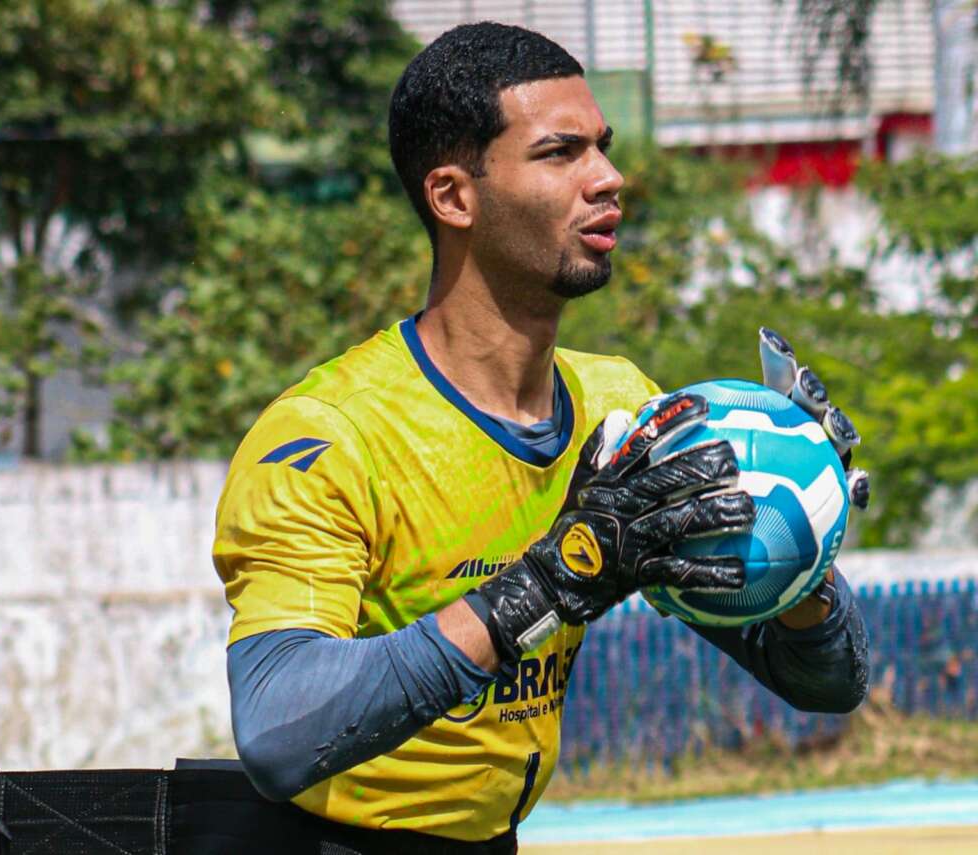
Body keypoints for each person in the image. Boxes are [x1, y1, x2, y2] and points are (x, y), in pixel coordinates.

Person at [212, 22, 870, 855]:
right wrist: (548, 582)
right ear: (453, 196)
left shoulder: (619, 405)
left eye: (603, 146)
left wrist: (802, 541)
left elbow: (827, 683)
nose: (609, 177)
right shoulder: (327, 438)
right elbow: (277, 729)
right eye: (561, 153)